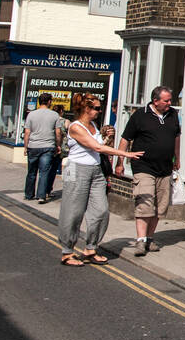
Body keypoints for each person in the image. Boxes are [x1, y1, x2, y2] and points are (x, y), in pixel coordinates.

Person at [58, 95, 142, 266]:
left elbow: (99, 147)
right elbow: (95, 147)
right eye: (96, 108)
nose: (99, 111)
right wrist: (125, 154)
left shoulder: (94, 125)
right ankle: (67, 251)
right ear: (86, 109)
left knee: (101, 211)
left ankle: (90, 248)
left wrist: (107, 139)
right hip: (76, 169)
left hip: (96, 171)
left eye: (99, 107)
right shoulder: (75, 127)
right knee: (73, 211)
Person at [117, 86, 181, 257]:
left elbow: (176, 137)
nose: (170, 103)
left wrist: (177, 158)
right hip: (143, 166)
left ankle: (150, 238)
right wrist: (120, 162)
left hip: (165, 167)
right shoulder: (140, 115)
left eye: (170, 100)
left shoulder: (173, 114)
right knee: (144, 204)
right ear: (155, 101)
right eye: (166, 100)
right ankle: (140, 240)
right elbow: (125, 139)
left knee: (160, 207)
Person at [23, 93, 62, 203]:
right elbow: (58, 133)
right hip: (48, 146)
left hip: (33, 146)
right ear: (49, 101)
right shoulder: (54, 115)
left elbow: (27, 132)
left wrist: (26, 147)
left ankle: (29, 195)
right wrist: (58, 145)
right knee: (44, 172)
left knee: (31, 172)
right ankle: (41, 196)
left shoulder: (31, 115)